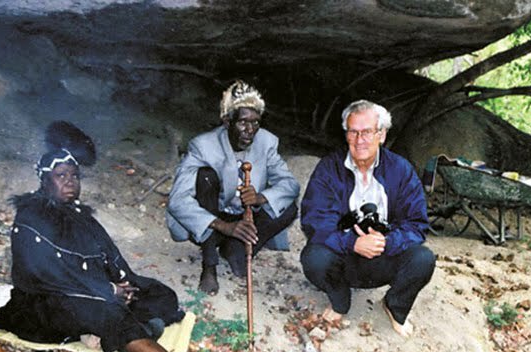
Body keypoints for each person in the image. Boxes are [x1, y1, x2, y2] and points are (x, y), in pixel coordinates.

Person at [0, 121, 209, 352]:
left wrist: (125, 286)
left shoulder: (81, 216)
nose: (70, 182)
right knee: (104, 311)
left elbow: (110, 257)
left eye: (74, 176)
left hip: (92, 290)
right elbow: (48, 276)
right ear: (44, 180)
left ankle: (109, 331)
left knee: (161, 295)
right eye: (61, 176)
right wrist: (108, 291)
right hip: (44, 301)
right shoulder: (31, 216)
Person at [300, 100, 435, 337]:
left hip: (385, 257)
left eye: (367, 132)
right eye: (353, 131)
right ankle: (340, 300)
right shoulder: (329, 168)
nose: (359, 139)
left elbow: (417, 224)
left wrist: (387, 242)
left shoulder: (401, 170)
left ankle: (395, 306)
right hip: (343, 258)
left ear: (381, 135)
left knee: (423, 259)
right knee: (314, 257)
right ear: (346, 134)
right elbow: (314, 220)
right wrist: (351, 242)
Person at [166, 81, 300, 295]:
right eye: (243, 123)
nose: (250, 131)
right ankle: (209, 265)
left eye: (255, 123)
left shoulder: (266, 142)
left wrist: (261, 198)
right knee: (206, 178)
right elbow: (177, 200)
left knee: (289, 206)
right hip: (212, 219)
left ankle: (237, 248)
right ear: (227, 121)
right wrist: (224, 226)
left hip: (243, 216)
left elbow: (290, 185)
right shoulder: (203, 146)